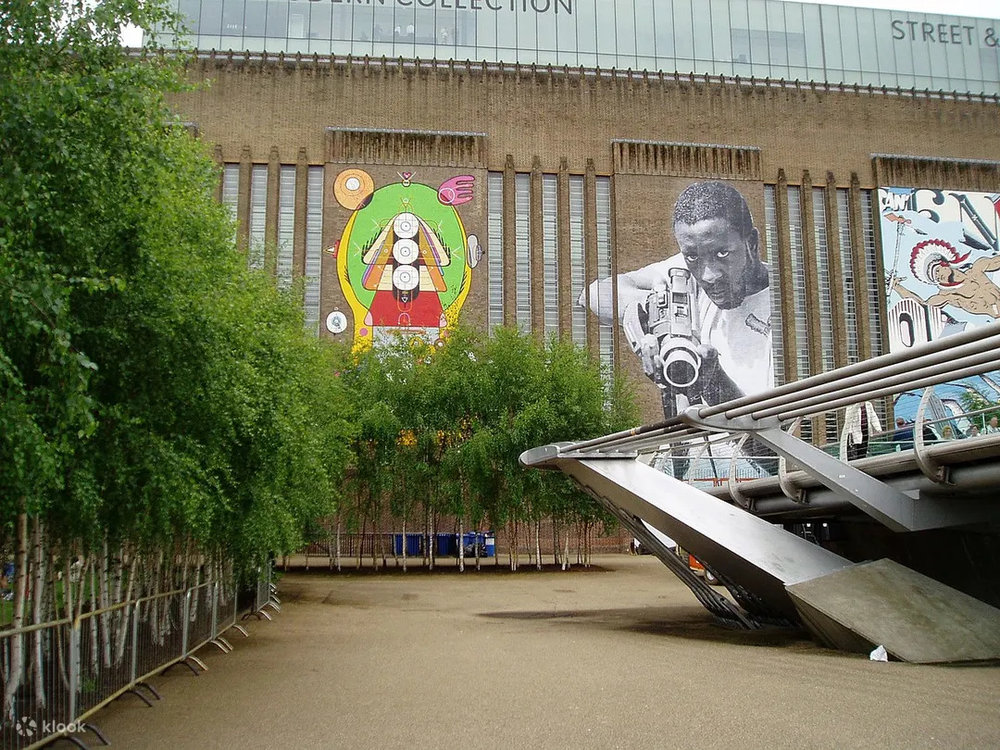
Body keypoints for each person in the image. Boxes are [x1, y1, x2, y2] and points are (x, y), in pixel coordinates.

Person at [582, 181, 772, 418]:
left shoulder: (786, 303)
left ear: (751, 244)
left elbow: (770, 445)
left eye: (722, 254)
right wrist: (655, 312)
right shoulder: (687, 273)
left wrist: (712, 384)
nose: (708, 275)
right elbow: (595, 294)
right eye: (692, 257)